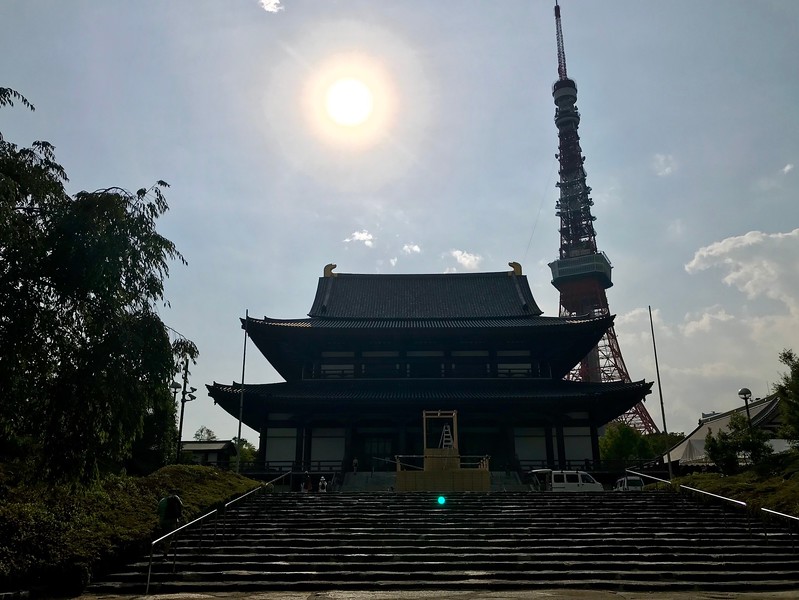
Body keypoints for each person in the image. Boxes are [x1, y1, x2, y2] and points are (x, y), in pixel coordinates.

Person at [157, 491, 183, 557]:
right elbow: (181, 507)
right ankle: (165, 554)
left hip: (162, 521)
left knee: (163, 536)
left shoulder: (162, 501)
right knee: (169, 539)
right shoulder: (176, 499)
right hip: (172, 521)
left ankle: (161, 545)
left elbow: (158, 511)